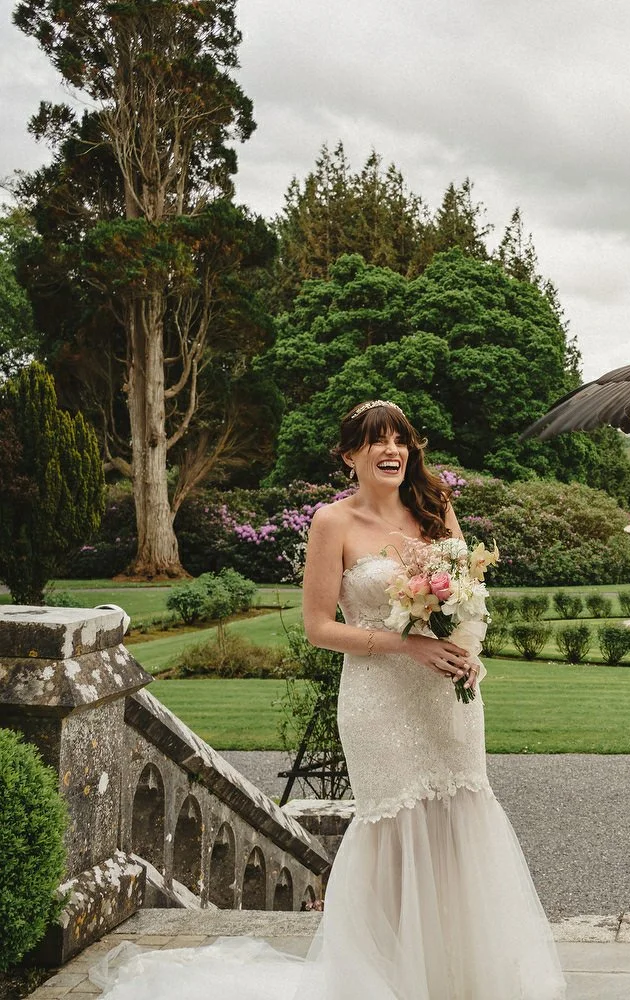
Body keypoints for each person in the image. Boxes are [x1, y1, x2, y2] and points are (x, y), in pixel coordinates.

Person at [90, 401, 565, 1000]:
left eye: (400, 439)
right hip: (379, 702)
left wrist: (467, 649)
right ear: (349, 456)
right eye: (376, 441)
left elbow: (470, 595)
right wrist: (405, 643)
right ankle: (389, 983)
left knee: (459, 819)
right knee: (392, 831)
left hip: (446, 698)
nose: (392, 450)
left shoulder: (436, 506)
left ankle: (461, 979)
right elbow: (319, 627)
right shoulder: (331, 523)